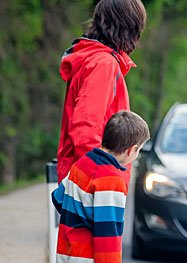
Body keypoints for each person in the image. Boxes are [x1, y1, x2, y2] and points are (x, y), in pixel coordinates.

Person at [52, 111, 150, 263]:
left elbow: (58, 197)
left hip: (74, 255)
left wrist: (79, 219)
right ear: (131, 150)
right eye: (138, 151)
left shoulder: (84, 163)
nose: (136, 156)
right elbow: (108, 232)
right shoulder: (111, 180)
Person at [57, 0, 146, 184]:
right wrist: (103, 181)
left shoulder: (95, 59)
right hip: (93, 184)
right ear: (129, 27)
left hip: (88, 179)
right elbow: (86, 130)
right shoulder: (102, 63)